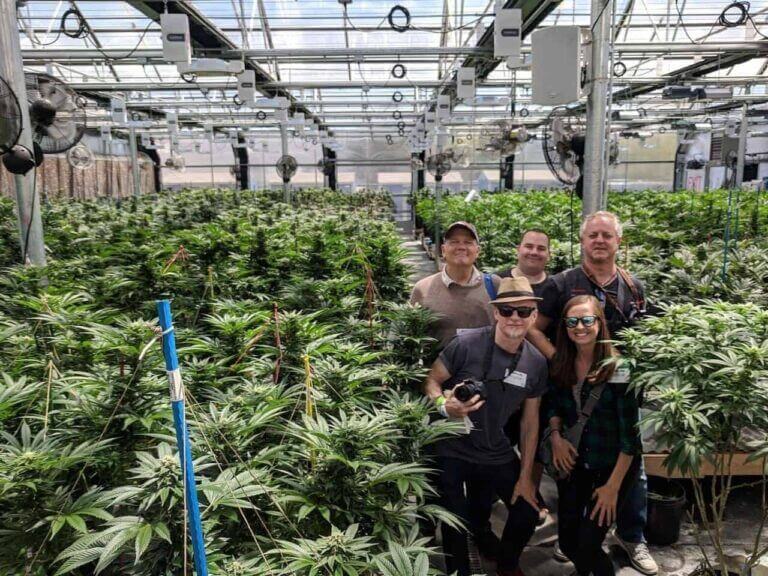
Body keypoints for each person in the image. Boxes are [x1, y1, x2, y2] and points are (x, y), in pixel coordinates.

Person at [532, 211, 657, 575]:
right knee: (575, 461)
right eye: (593, 235)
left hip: (618, 384)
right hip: (575, 386)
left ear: (618, 242)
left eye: (607, 235)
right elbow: (534, 328)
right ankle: (576, 536)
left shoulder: (633, 286)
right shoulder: (561, 283)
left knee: (631, 462)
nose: (599, 241)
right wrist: (561, 360)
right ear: (582, 241)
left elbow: (645, 338)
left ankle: (632, 537)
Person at [423, 277, 548, 576]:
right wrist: (444, 405)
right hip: (452, 446)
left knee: (527, 510)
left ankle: (506, 564)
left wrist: (527, 477)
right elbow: (431, 380)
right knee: (454, 521)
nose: (514, 318)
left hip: (495, 448)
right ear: (495, 313)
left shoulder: (536, 362)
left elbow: (531, 422)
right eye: (506, 310)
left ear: (533, 316)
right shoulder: (467, 344)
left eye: (523, 311)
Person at [546, 295, 641, 576]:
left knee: (588, 544)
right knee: (567, 540)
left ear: (600, 323)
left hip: (612, 466)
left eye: (587, 320)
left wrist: (612, 488)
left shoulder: (619, 369)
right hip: (575, 463)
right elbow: (553, 405)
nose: (580, 327)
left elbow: (630, 438)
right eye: (572, 321)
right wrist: (555, 437)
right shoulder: (562, 362)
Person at [410, 221, 500, 351]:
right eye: (454, 242)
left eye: (468, 242)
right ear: (443, 250)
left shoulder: (494, 285)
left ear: (478, 251)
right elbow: (410, 337)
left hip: (485, 369)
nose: (461, 247)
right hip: (437, 369)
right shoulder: (423, 289)